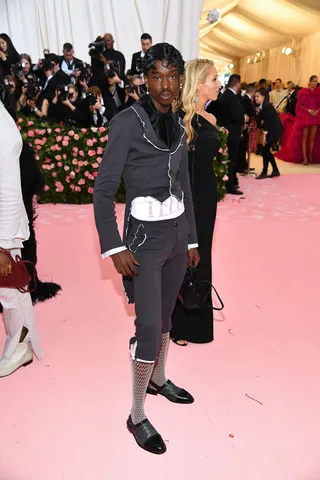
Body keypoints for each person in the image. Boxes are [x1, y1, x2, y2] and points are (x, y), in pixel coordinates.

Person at [94, 43, 199, 455]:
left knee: (167, 317)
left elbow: (185, 185)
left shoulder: (179, 121)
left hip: (175, 237)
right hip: (142, 243)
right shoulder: (126, 123)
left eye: (173, 76)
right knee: (149, 326)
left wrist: (190, 238)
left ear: (180, 79)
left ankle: (158, 378)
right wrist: (113, 247)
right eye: (157, 76)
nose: (166, 85)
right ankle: (136, 414)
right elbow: (103, 193)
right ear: (144, 79)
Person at [170, 59, 221, 346]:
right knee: (183, 256)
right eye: (213, 79)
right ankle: (180, 322)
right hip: (184, 197)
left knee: (203, 254)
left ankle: (199, 323)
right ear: (199, 83)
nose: (218, 84)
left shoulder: (211, 118)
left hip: (207, 197)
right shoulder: (179, 119)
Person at [0, 98, 43, 377]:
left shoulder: (2, 126)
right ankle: (20, 342)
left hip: (4, 229)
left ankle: (20, 344)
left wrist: (4, 245)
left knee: (10, 291)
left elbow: (10, 190)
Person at [218, 74, 246, 195]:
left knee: (229, 159)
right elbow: (237, 115)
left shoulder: (225, 95)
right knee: (231, 159)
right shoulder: (231, 97)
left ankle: (232, 181)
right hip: (232, 132)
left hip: (227, 130)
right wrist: (244, 118)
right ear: (237, 84)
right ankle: (230, 185)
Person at [255, 89, 282, 179]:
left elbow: (267, 122)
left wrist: (264, 135)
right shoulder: (263, 106)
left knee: (265, 150)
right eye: (255, 96)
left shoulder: (266, 106)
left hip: (274, 130)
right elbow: (260, 120)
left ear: (263, 97)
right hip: (272, 129)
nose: (255, 98)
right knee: (265, 150)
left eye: (257, 96)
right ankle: (275, 170)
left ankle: (265, 171)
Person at [296, 75, 320, 165]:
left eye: (316, 81)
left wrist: (317, 111)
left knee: (313, 137)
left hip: (316, 115)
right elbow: (300, 104)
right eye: (314, 81)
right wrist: (309, 110)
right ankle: (305, 157)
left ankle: (310, 156)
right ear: (310, 82)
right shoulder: (303, 91)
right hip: (305, 115)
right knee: (305, 137)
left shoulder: (319, 92)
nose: (315, 83)